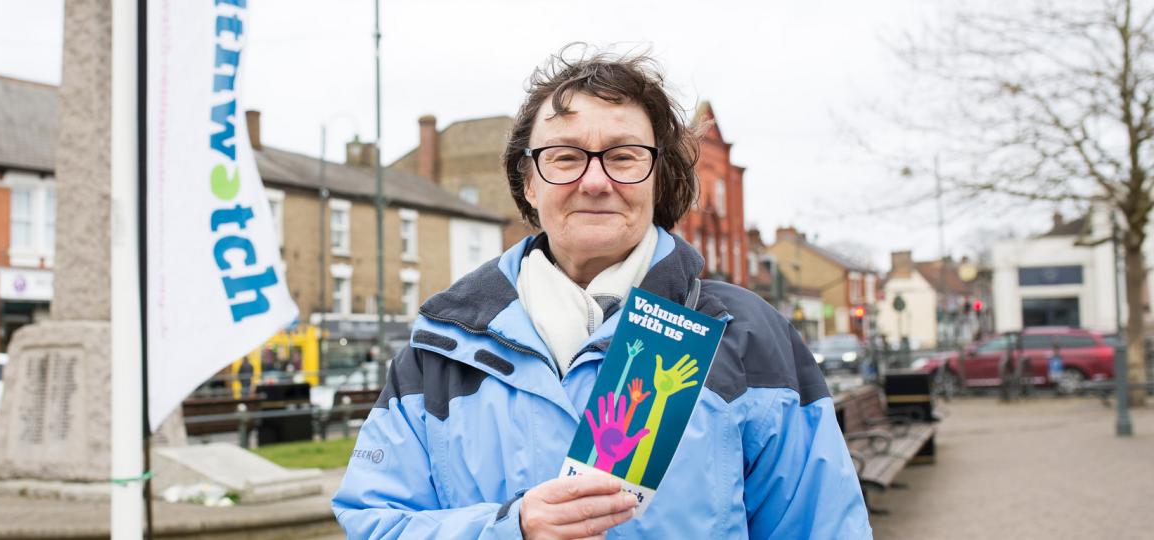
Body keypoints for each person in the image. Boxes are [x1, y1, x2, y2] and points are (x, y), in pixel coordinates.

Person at [333, 46, 871, 539]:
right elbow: (373, 523)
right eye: (565, 156)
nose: (594, 181)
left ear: (660, 177)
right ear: (529, 181)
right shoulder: (441, 348)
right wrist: (508, 529)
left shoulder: (747, 336)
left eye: (623, 156)